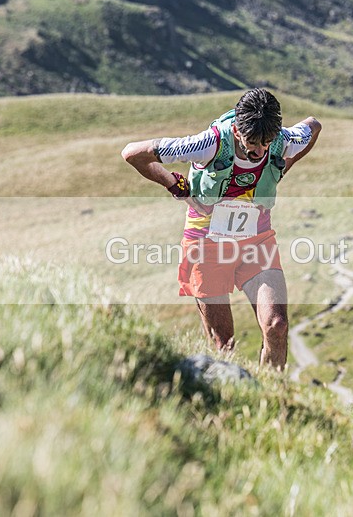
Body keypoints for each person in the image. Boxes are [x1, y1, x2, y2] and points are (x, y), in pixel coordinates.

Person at [122, 88, 322, 370]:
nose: (259, 151)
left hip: (256, 240)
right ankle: (235, 394)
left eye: (267, 143)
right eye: (253, 143)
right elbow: (133, 153)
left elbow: (313, 126)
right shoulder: (207, 144)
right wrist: (176, 186)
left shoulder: (282, 139)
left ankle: (273, 398)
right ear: (238, 131)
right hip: (206, 242)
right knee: (223, 345)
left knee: (277, 326)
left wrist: (281, 167)